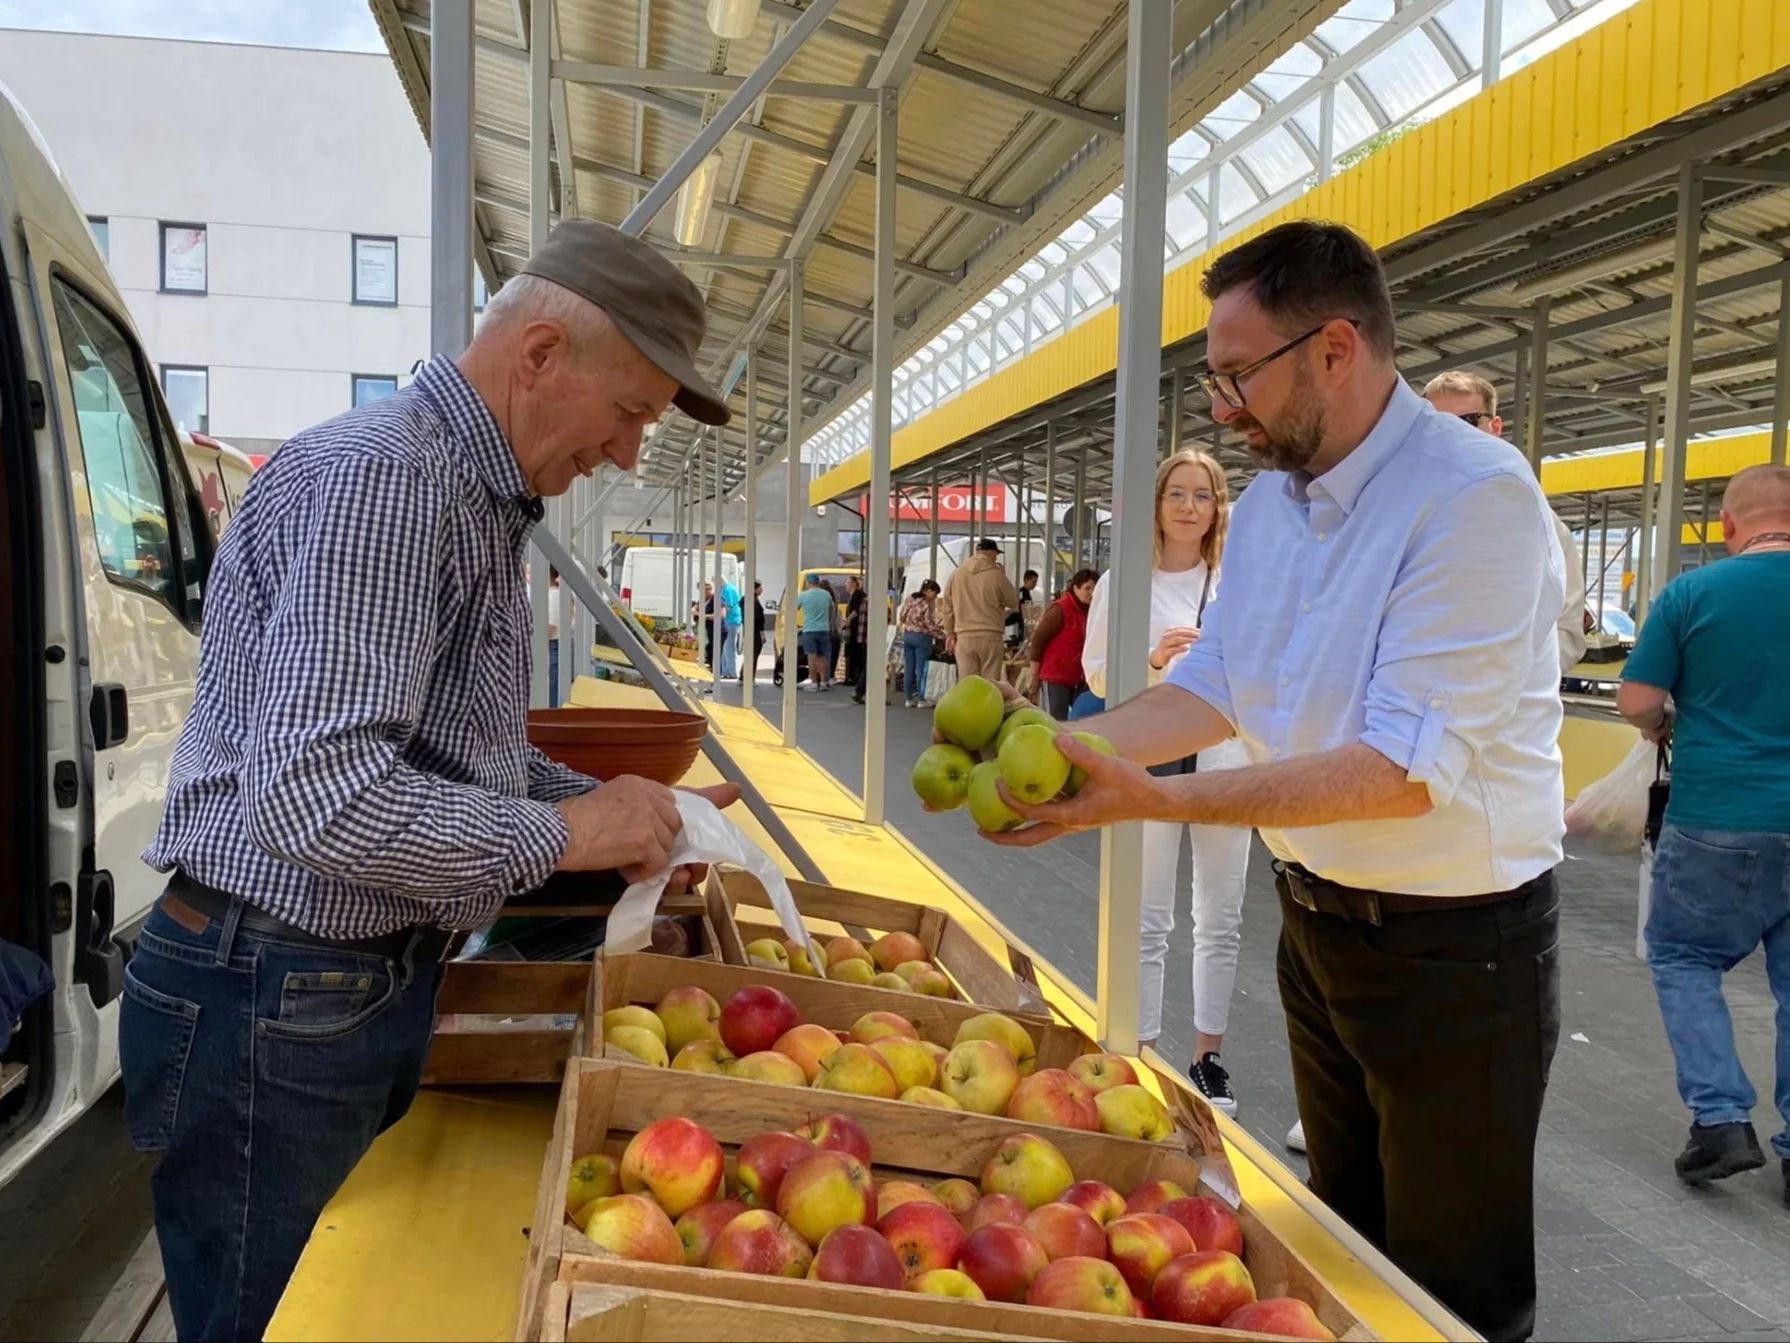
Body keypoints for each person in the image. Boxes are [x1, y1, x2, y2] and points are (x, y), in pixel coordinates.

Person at [125, 220, 740, 1342]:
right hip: (277, 988)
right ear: (541, 354)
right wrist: (567, 833)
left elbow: (453, 756)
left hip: (312, 985)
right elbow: (323, 795)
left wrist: (633, 811)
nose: (625, 453)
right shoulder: (392, 485)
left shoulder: (456, 489)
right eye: (632, 410)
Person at [978, 221, 1565, 1343]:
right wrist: (1075, 751)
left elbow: (1398, 774)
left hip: (1458, 951)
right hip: (1318, 925)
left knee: (1452, 1290)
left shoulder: (1474, 499)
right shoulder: (1279, 508)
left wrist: (1157, 800)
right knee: (1337, 1246)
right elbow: (1217, 680)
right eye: (1214, 378)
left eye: (1237, 375)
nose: (1220, 408)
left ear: (1334, 348)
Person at [1618, 464, 1790, 1192]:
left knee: (1684, 957)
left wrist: (1665, 724)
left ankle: (1720, 1121)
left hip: (1715, 815)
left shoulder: (1692, 593)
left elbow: (1635, 700)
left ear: (1727, 526)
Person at [1082, 450, 1253, 1114]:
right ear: (1155, 502)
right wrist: (1152, 662)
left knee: (1221, 913)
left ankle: (1208, 1056)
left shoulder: (1237, 582)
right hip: (1151, 757)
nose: (1188, 506)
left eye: (1203, 495)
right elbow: (1097, 675)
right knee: (1148, 915)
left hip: (1227, 760)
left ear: (1218, 507)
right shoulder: (1124, 584)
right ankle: (1143, 1050)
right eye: (1176, 493)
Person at [1423, 370, 1588, 673]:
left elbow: (1567, 631)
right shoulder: (1399, 512)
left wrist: (1502, 686)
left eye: (1467, 421)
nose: (1452, 435)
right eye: (1436, 425)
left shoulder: (1542, 525)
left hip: (1501, 710)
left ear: (1495, 426)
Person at [939, 538, 1019, 682]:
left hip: (964, 637)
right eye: (996, 554)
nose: (996, 558)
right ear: (990, 552)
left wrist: (950, 633)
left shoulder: (957, 574)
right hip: (991, 636)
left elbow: (947, 607)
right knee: (990, 684)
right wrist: (1003, 575)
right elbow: (1013, 601)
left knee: (967, 684)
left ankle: (968, 705)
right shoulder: (996, 575)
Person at [1028, 569, 1097, 720]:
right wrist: (1034, 674)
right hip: (1055, 677)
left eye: (1094, 589)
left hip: (1079, 678)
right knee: (1055, 721)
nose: (1091, 593)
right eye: (1087, 588)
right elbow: (1038, 639)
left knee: (1083, 718)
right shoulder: (1060, 609)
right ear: (1076, 588)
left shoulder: (1094, 611)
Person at [898, 578, 945, 708]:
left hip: (907, 635)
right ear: (928, 591)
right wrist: (942, 635)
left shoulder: (910, 599)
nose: (935, 597)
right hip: (921, 638)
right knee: (921, 669)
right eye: (935, 593)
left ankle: (908, 699)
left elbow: (901, 616)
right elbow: (929, 625)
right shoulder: (926, 604)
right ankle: (921, 699)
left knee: (909, 668)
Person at [796, 574, 834, 691]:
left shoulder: (803, 595)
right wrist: (827, 622)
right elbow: (831, 610)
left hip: (809, 629)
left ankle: (813, 683)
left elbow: (794, 608)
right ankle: (823, 682)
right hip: (824, 629)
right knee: (823, 657)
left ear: (808, 582)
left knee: (811, 657)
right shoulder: (826, 594)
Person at [844, 575, 868, 704]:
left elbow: (856, 611)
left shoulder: (859, 596)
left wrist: (848, 620)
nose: (845, 585)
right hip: (861, 633)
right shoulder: (861, 597)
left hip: (859, 632)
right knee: (867, 663)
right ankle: (859, 688)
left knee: (864, 661)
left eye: (848, 582)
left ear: (854, 583)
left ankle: (858, 685)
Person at [719, 573, 743, 681]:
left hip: (731, 621)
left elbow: (727, 607)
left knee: (729, 647)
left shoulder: (727, 590)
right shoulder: (727, 588)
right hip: (731, 621)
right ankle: (726, 671)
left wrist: (719, 617)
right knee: (726, 647)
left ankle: (731, 671)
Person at [751, 580, 766, 681]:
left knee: (752, 654)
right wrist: (762, 634)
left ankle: (744, 676)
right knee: (754, 654)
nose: (762, 590)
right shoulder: (753, 602)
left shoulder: (751, 600)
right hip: (755, 632)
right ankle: (749, 677)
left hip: (752, 630)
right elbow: (758, 620)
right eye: (760, 588)